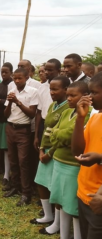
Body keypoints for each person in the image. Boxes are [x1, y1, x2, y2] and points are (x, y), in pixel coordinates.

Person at [44, 81, 91, 239]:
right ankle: (63, 235)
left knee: (72, 206)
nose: (68, 98)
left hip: (73, 166)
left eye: (73, 95)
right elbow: (54, 135)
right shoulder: (66, 112)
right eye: (68, 95)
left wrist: (59, 134)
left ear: (85, 96)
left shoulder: (88, 114)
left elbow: (70, 135)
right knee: (60, 201)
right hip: (59, 162)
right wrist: (60, 135)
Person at [30, 76, 70, 235]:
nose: (52, 92)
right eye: (50, 89)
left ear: (66, 90)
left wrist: (49, 153)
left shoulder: (68, 108)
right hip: (45, 150)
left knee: (55, 188)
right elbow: (48, 131)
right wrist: (41, 148)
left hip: (56, 153)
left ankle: (57, 223)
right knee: (41, 182)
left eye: (55, 89)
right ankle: (48, 215)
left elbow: (61, 135)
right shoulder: (53, 105)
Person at [72, 72, 102, 239]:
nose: (90, 97)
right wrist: (79, 119)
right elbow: (77, 151)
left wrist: (99, 158)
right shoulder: (95, 118)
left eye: (94, 93)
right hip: (84, 194)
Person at [3, 68, 38, 206]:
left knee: (23, 161)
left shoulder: (32, 92)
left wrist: (17, 101)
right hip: (10, 127)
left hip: (23, 130)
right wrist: (10, 102)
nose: (17, 81)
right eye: (15, 78)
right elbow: (6, 114)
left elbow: (31, 114)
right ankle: (15, 187)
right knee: (12, 160)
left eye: (20, 78)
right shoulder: (11, 90)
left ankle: (26, 193)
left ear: (27, 77)